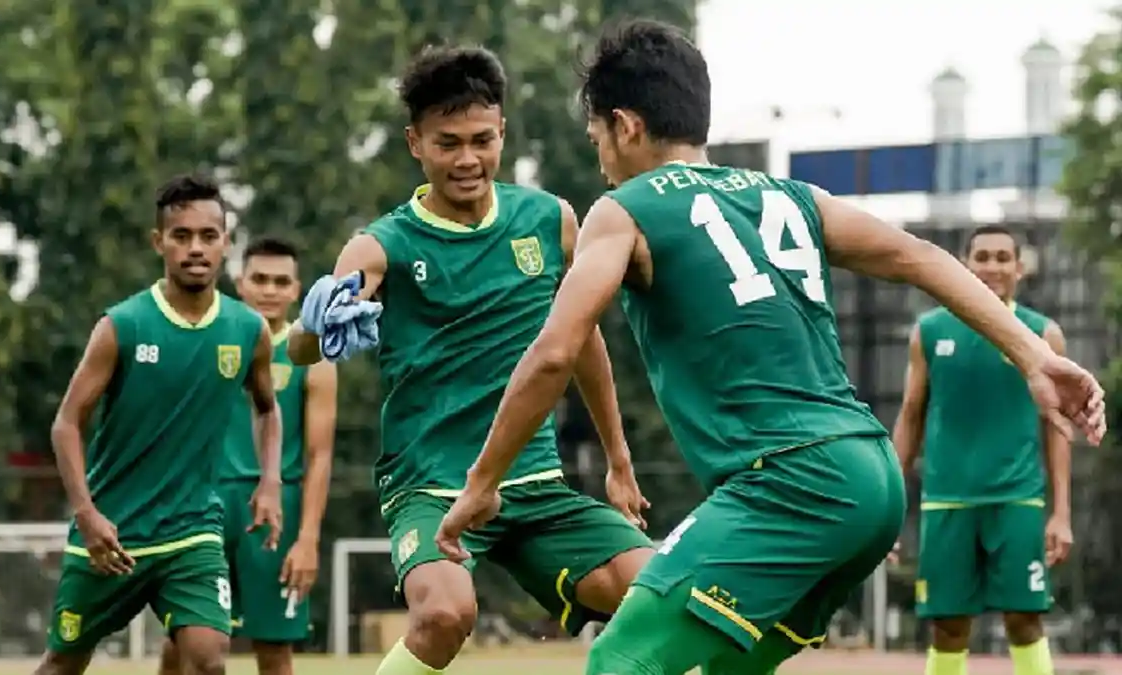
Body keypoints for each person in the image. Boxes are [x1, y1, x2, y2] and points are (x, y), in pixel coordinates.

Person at [433, 19, 1106, 675]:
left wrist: (482, 483)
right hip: (870, 479)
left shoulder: (625, 208)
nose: (601, 160)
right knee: (730, 665)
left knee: (621, 658)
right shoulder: (792, 196)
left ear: (626, 126)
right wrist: (1034, 356)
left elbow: (555, 352)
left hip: (788, 480)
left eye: (597, 138)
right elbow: (920, 256)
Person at [287, 44, 654, 675]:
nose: (467, 160)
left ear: (502, 131)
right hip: (430, 484)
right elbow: (305, 347)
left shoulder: (550, 220)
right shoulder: (381, 245)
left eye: (482, 140)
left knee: (657, 593)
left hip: (534, 483)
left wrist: (618, 459)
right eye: (447, 143)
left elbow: (583, 342)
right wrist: (311, 324)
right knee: (444, 614)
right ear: (415, 143)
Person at [33, 174, 285, 675]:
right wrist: (86, 513)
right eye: (181, 236)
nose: (196, 248)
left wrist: (270, 480)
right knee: (63, 664)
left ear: (226, 243)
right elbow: (66, 424)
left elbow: (267, 409)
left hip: (193, 531)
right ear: (158, 242)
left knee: (209, 659)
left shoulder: (247, 329)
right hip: (112, 534)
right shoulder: (122, 326)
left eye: (208, 236)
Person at [893, 225, 1072, 675]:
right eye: (983, 257)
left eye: (1002, 257)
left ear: (1020, 268)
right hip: (946, 501)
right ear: (965, 264)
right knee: (948, 627)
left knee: (1024, 620)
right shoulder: (929, 332)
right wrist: (887, 508)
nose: (992, 267)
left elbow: (1057, 428)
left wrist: (1062, 513)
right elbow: (910, 416)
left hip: (1017, 499)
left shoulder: (1043, 335)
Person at [158, 236, 338, 675]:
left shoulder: (313, 359)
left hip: (276, 514)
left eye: (281, 281)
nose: (270, 290)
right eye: (260, 279)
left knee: (274, 651)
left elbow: (319, 456)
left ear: (296, 290)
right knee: (183, 641)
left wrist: (308, 540)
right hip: (203, 507)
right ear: (240, 283)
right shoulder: (206, 339)